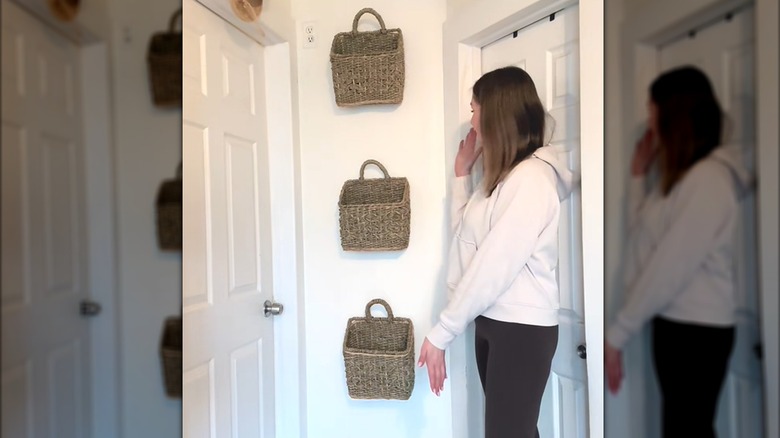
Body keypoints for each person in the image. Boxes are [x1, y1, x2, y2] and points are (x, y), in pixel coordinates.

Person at [417, 66, 574, 438]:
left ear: (496, 114)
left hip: (519, 330)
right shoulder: (502, 179)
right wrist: (461, 174)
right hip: (495, 323)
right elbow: (468, 244)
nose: (471, 121)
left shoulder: (530, 180)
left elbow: (493, 266)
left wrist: (442, 332)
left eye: (474, 109)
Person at [605, 66, 753, 437]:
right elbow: (645, 242)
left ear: (673, 113)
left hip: (697, 334)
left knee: (688, 430)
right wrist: (639, 175)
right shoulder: (682, 179)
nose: (649, 118)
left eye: (652, 108)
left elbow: (669, 267)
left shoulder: (709, 180)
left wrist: (617, 334)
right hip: (677, 327)